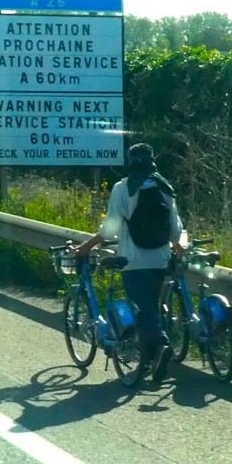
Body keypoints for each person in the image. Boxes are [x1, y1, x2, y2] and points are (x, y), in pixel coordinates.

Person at [74, 143, 185, 383]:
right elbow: (175, 231)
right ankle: (152, 357)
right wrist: (176, 246)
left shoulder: (123, 188)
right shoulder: (165, 188)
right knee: (151, 308)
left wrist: (86, 246)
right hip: (159, 260)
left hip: (133, 261)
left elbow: (110, 229)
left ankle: (160, 348)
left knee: (143, 310)